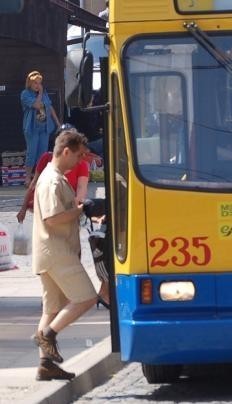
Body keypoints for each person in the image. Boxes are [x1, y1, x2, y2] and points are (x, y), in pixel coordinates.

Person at [31, 129, 97, 381]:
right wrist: (80, 210)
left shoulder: (54, 177)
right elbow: (53, 217)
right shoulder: (53, 180)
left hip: (49, 252)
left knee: (51, 309)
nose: (80, 161)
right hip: (56, 250)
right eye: (78, 155)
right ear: (65, 151)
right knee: (86, 298)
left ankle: (45, 365)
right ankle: (47, 336)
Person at [20, 71, 61, 186]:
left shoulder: (45, 94)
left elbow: (50, 107)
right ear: (30, 83)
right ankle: (27, 178)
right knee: (31, 153)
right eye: (35, 83)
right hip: (32, 128)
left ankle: (39, 178)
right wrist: (41, 93)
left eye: (39, 83)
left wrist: (58, 123)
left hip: (44, 127)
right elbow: (37, 105)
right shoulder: (25, 94)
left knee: (42, 154)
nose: (38, 86)